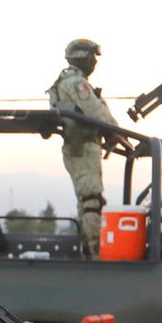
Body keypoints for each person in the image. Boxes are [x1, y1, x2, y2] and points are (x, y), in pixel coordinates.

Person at [46, 38, 121, 258]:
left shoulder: (64, 82)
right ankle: (94, 249)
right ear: (81, 56)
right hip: (83, 146)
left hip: (78, 145)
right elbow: (96, 112)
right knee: (91, 199)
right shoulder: (77, 83)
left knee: (86, 199)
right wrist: (115, 130)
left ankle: (88, 247)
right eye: (92, 56)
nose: (94, 61)